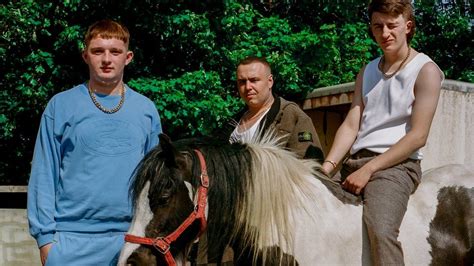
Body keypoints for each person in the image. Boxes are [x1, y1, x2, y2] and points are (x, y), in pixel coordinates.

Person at [27, 19, 162, 265]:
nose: (107, 59)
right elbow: (43, 175)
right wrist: (46, 239)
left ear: (128, 57)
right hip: (70, 241)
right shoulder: (61, 106)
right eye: (98, 51)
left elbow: (157, 182)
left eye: (115, 52)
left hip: (130, 241)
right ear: (85, 55)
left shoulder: (146, 110)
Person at [321, 0, 444, 264]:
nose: (385, 33)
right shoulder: (366, 71)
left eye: (392, 25)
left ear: (408, 27)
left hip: (397, 166)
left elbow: (418, 136)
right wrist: (327, 167)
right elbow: (351, 125)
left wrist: (369, 170)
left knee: (381, 228)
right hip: (355, 162)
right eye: (378, 26)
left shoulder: (426, 70)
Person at [229, 56, 324, 160]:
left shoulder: (290, 115)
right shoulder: (231, 124)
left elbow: (311, 164)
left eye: (254, 80)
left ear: (270, 81)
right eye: (242, 82)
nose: (247, 87)